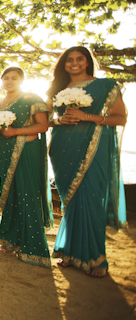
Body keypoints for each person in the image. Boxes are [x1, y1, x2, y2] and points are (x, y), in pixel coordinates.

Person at [47, 47, 127, 277]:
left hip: (93, 146)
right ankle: (70, 252)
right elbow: (47, 119)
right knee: (69, 201)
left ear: (87, 61)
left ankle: (96, 258)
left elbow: (120, 118)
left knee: (91, 197)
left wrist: (87, 117)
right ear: (63, 64)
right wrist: (60, 120)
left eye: (79, 59)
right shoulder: (58, 89)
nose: (74, 63)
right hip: (63, 148)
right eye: (69, 60)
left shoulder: (105, 85)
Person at [0, 67, 53, 267]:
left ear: (22, 80)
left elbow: (43, 126)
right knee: (11, 194)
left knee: (27, 194)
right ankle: (11, 239)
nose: (9, 81)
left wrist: (15, 132)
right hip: (4, 153)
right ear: (1, 81)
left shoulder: (32, 98)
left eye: (14, 78)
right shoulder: (0, 103)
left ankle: (33, 248)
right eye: (6, 78)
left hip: (25, 151)